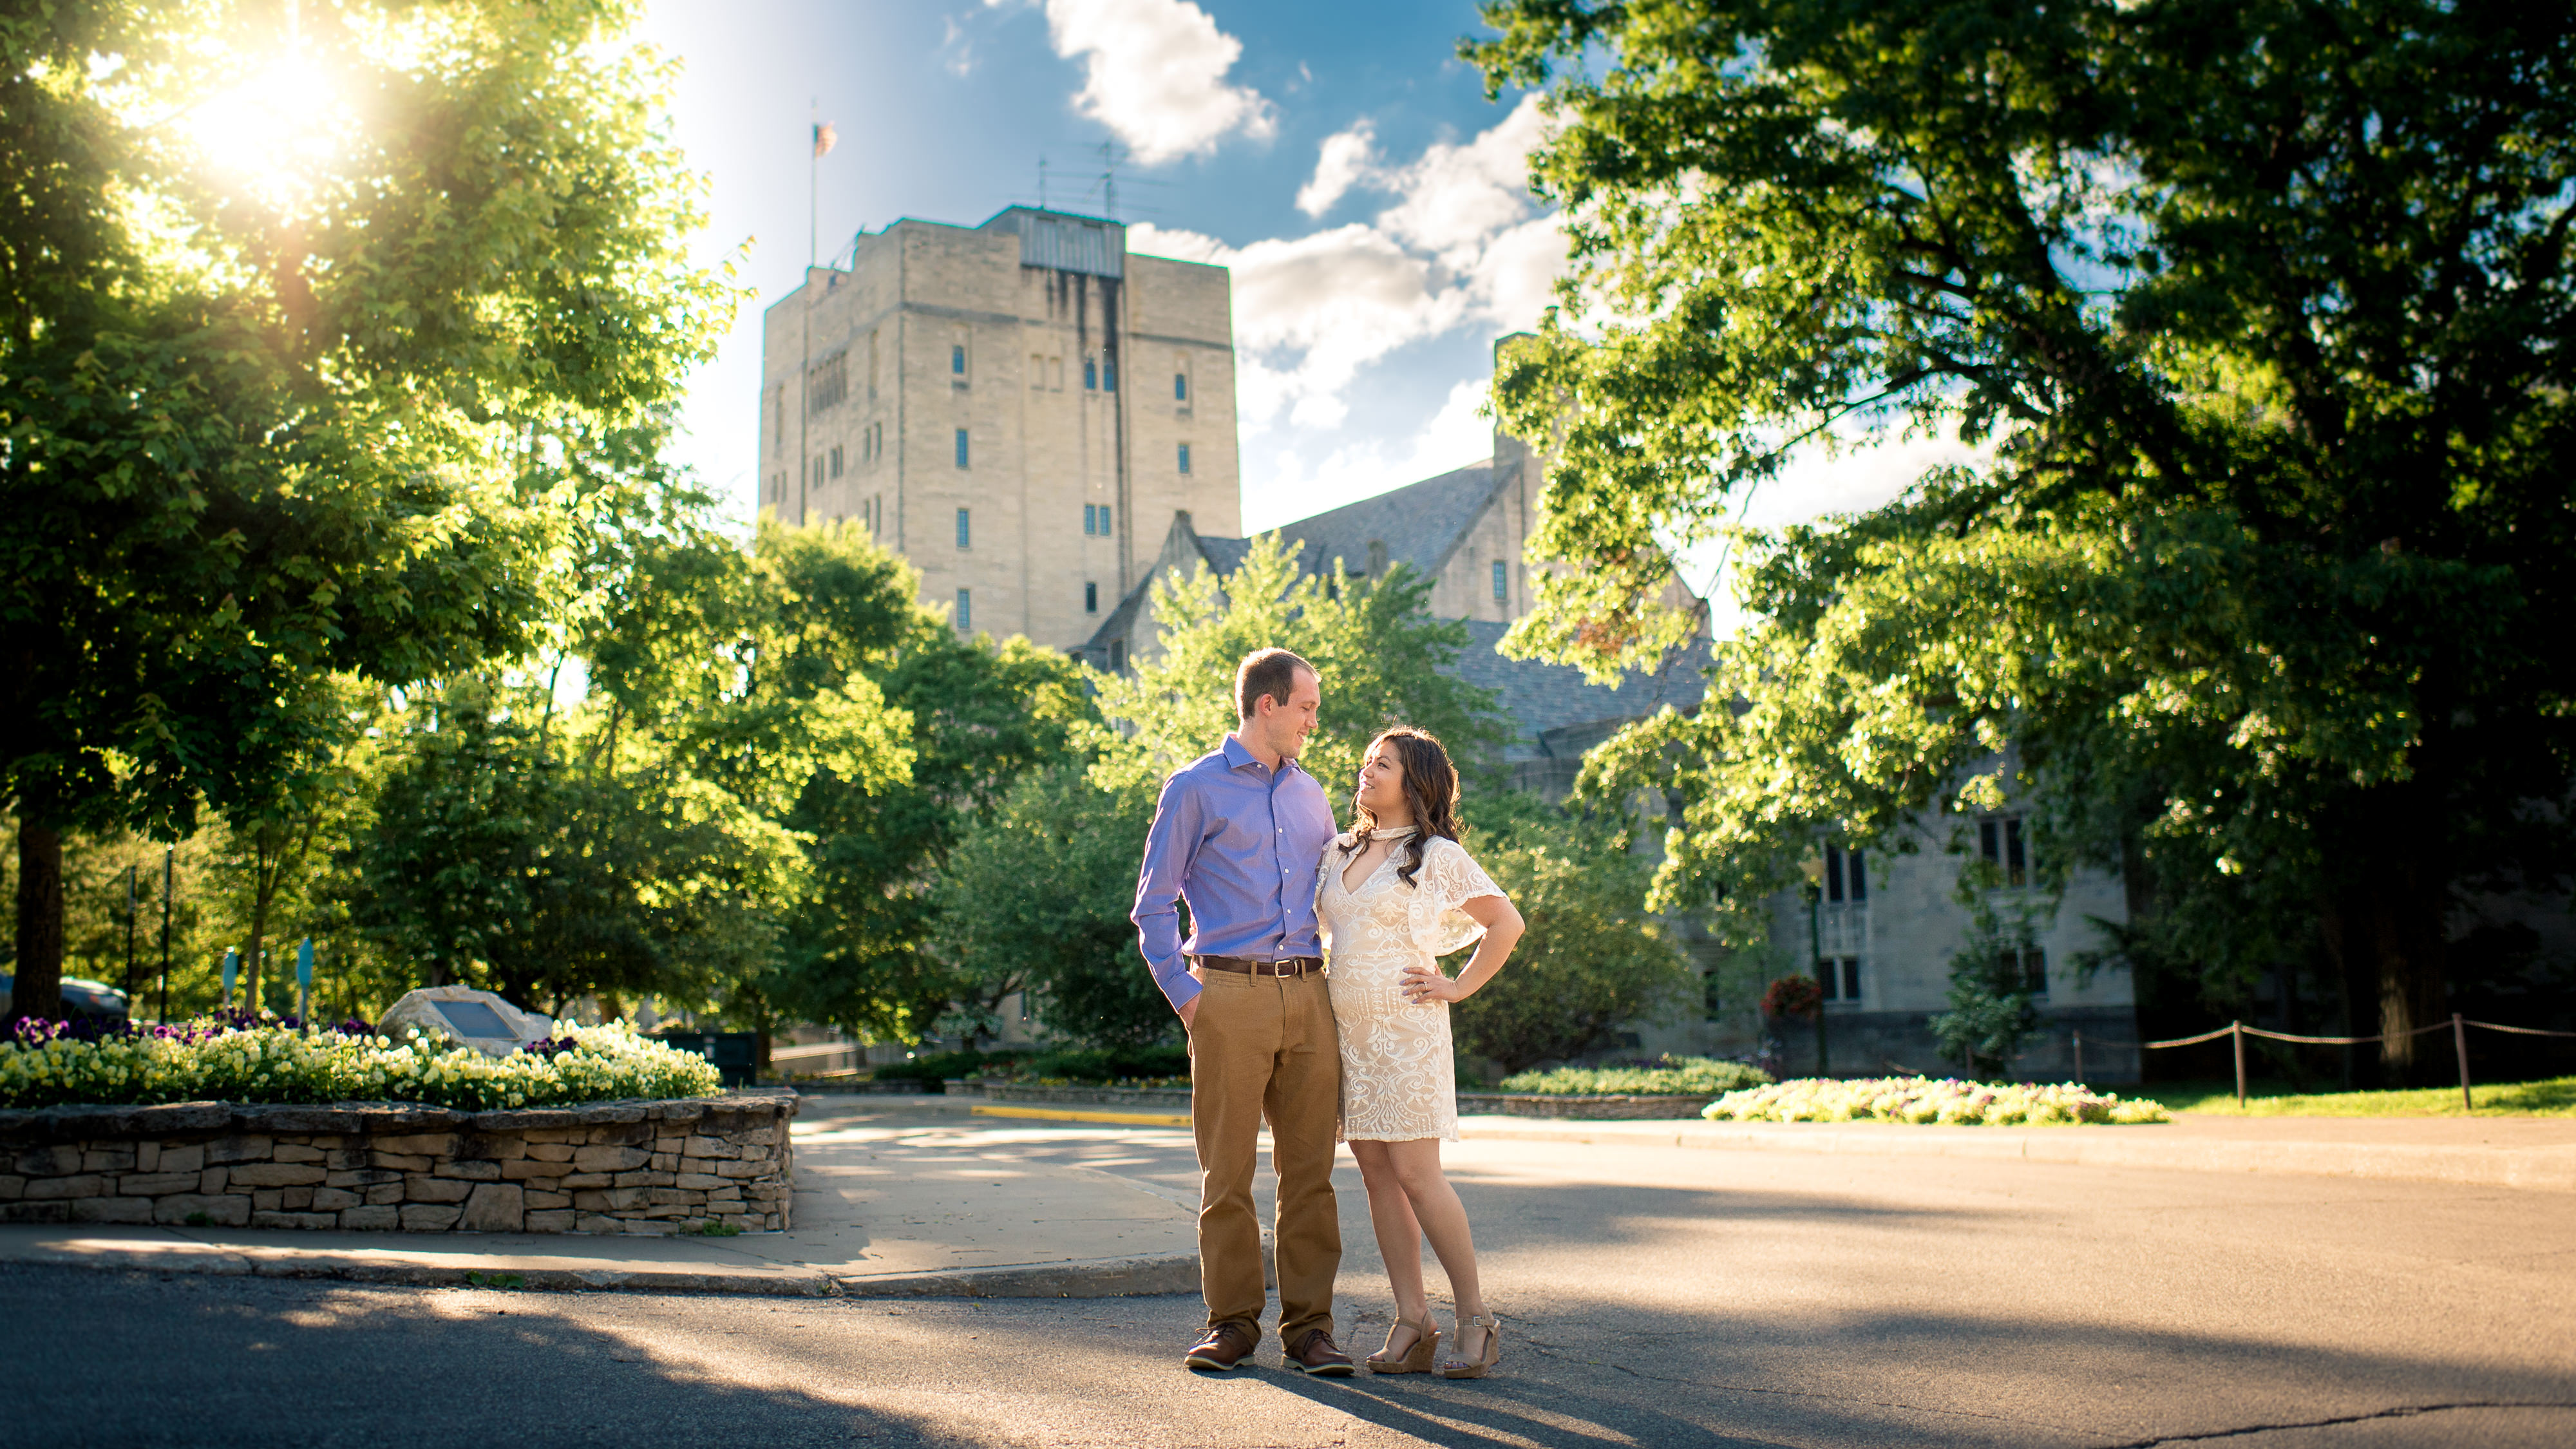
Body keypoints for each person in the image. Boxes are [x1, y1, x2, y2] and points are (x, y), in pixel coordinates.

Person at [1131, 647, 1355, 1376]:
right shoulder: (1194, 788)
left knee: (1311, 1175)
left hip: (1309, 994)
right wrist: (1190, 997)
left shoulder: (1311, 794)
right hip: (1227, 994)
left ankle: (1310, 1331)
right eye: (1306, 707)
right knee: (1226, 1174)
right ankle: (1230, 1324)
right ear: (1267, 705)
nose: (1313, 722)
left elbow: (1338, 894)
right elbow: (1153, 903)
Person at [1318, 726, 1524, 1380]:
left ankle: (1474, 1318)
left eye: (1382, 763)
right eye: (1366, 761)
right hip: (1348, 1039)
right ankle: (1413, 1320)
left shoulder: (1434, 854)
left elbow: (1505, 923)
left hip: (1408, 1037)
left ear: (1415, 782)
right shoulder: (1336, 850)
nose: (1366, 771)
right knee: (1376, 1175)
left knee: (1416, 1176)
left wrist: (1458, 985)